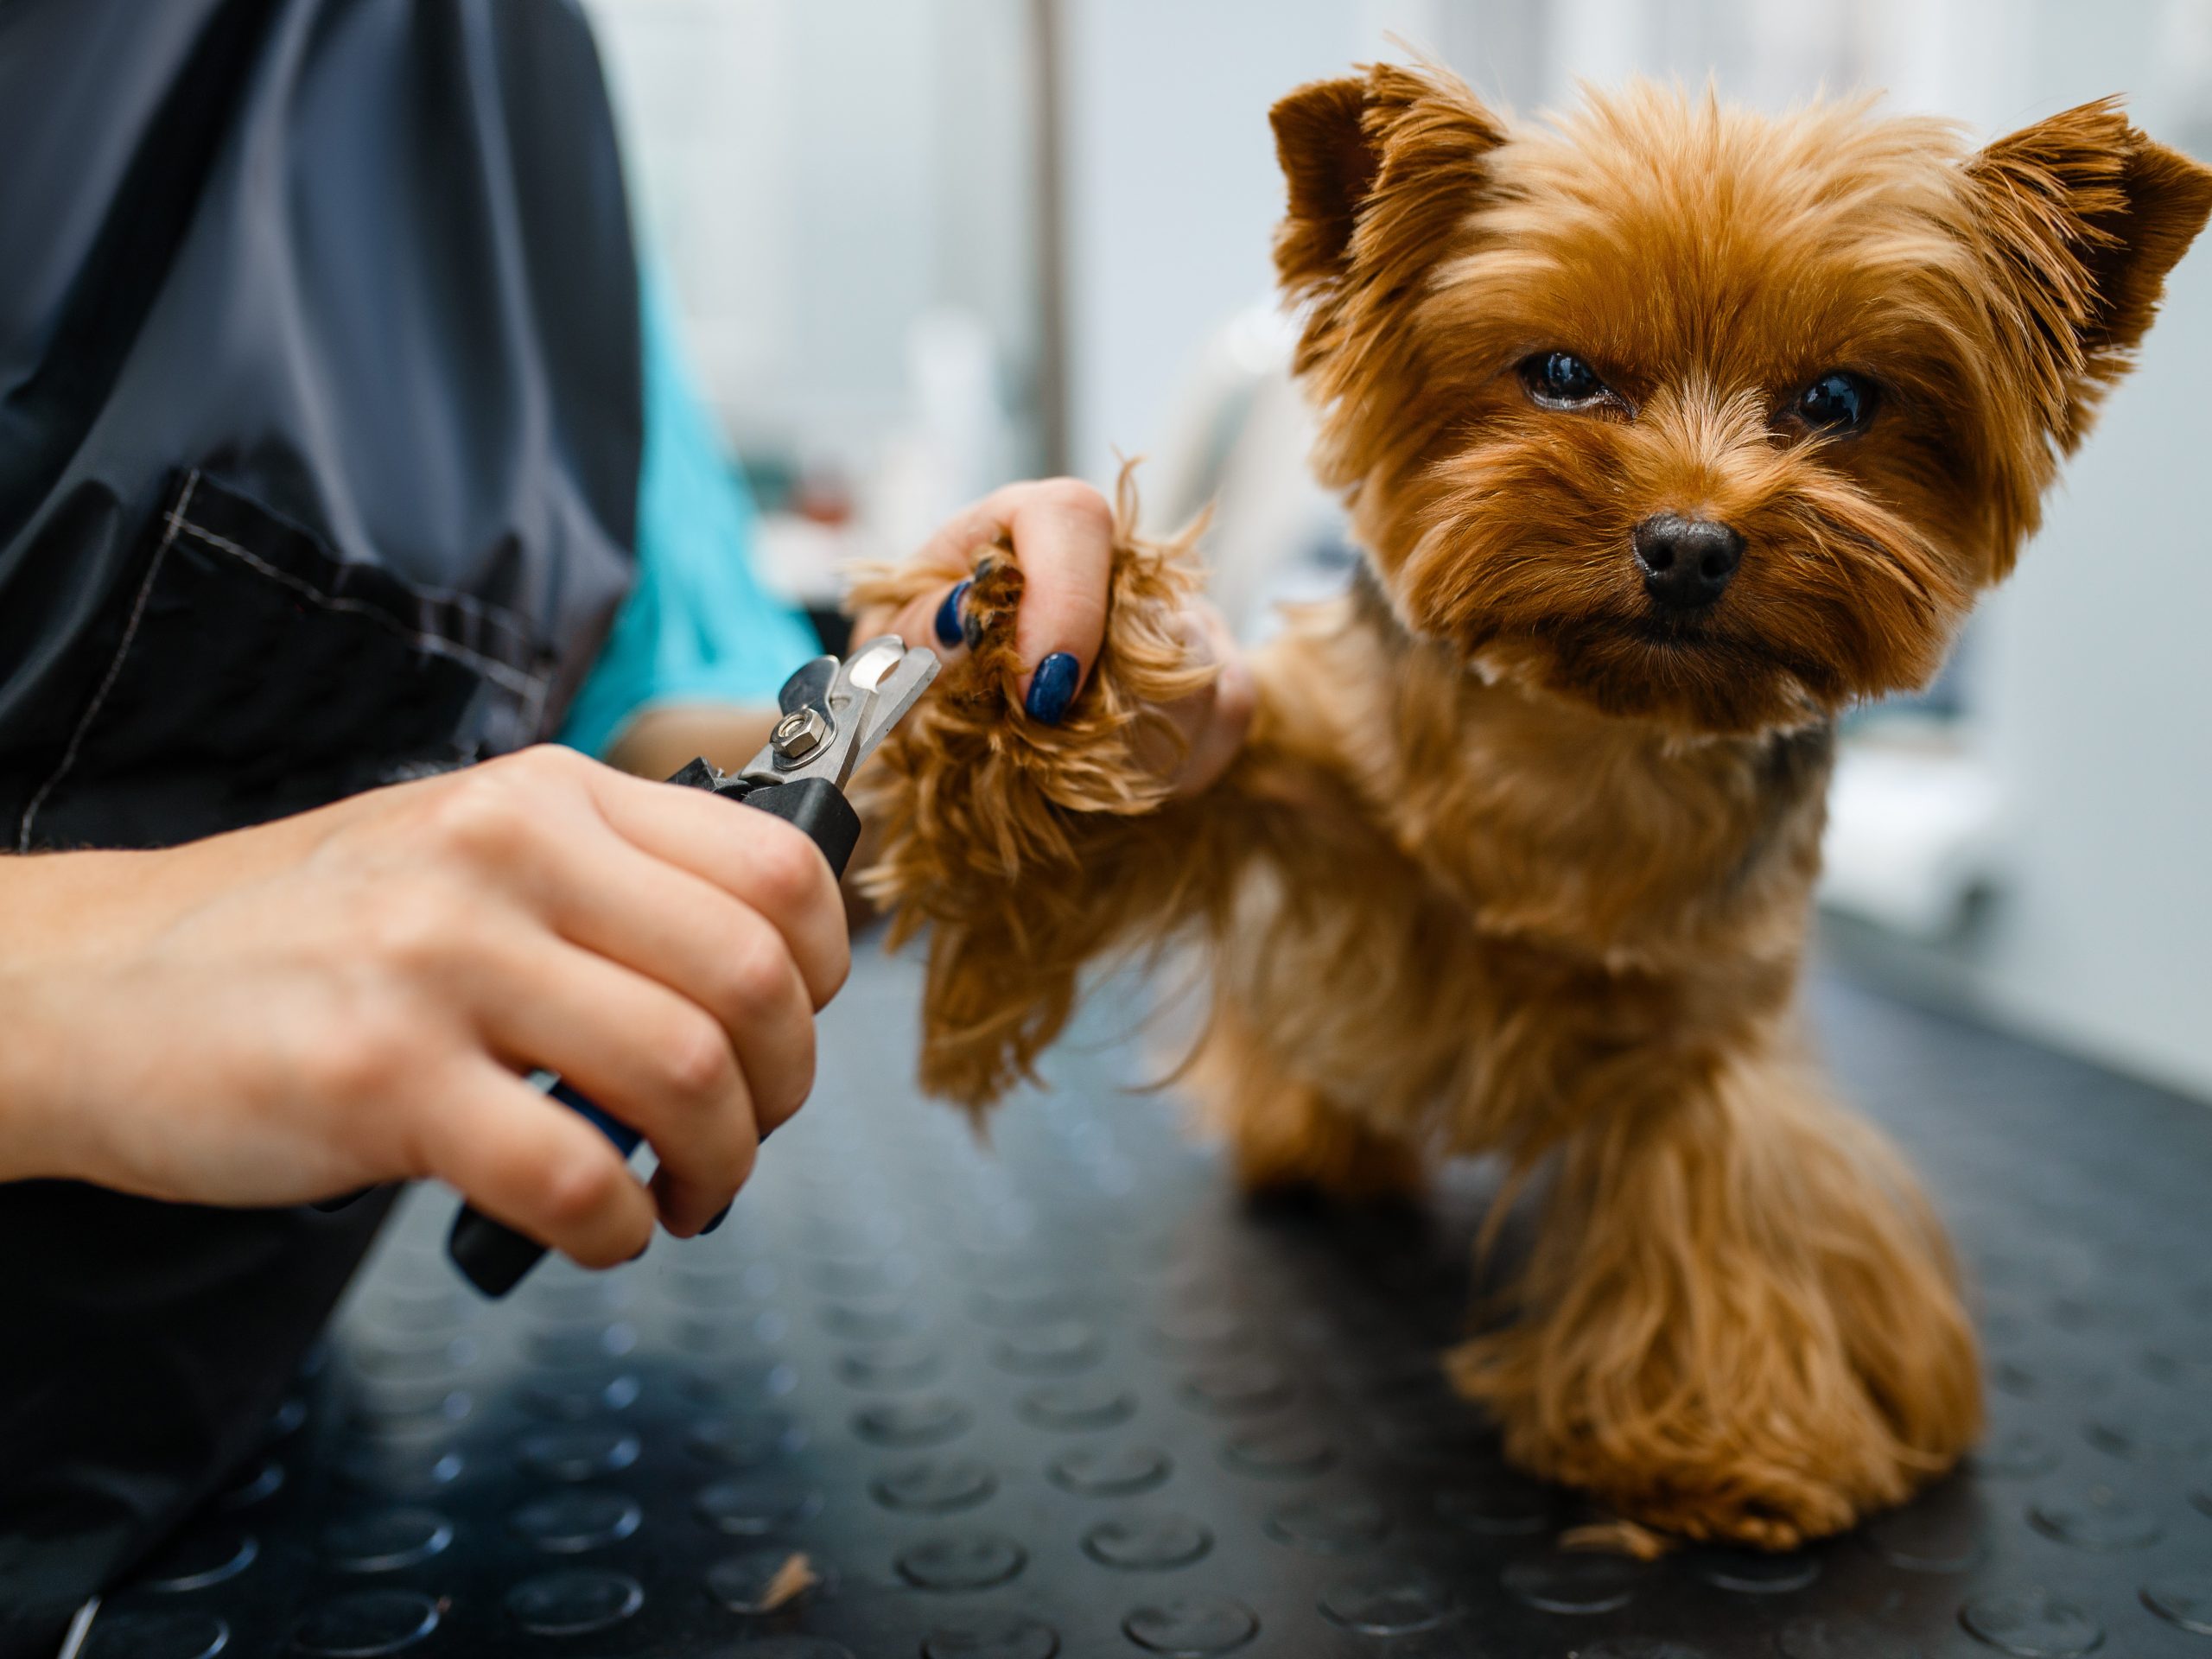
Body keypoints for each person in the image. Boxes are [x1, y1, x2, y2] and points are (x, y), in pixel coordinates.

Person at [0, 0, 1249, 1646]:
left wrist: (945, 711)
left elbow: (642, 720)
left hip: (211, 1476)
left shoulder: (509, 80)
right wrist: (69, 979)